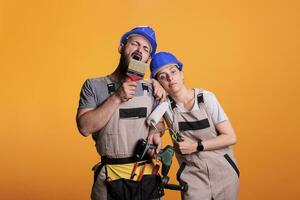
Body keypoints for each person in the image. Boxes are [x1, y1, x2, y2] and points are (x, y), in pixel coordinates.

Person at [76, 26, 165, 200]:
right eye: (135, 44)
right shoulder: (94, 85)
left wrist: (156, 130)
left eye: (146, 49)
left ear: (148, 58)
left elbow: (160, 124)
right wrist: (117, 97)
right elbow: (85, 127)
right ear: (121, 47)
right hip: (110, 178)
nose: (140, 50)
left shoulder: (152, 89)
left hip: (145, 176)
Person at [149, 52, 240, 200]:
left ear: (182, 75)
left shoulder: (206, 98)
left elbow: (230, 137)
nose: (170, 78)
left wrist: (196, 146)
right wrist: (151, 82)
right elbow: (155, 127)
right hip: (192, 175)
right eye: (162, 77)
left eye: (173, 72)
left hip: (224, 172)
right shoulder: (165, 107)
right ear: (160, 83)